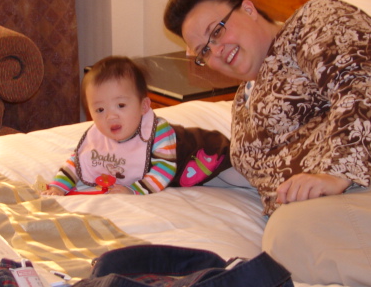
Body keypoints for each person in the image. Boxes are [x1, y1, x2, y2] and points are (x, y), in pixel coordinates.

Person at [163, 0, 371, 287]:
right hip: (344, 201)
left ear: (248, 9)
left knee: (289, 235)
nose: (216, 50)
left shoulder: (313, 20)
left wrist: (336, 172)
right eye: (204, 51)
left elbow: (361, 83)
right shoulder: (241, 103)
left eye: (217, 31)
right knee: (290, 237)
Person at [43, 56, 231, 196]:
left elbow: (164, 170)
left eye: (121, 105)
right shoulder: (98, 135)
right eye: (100, 110)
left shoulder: (157, 132)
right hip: (187, 176)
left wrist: (134, 190)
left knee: (236, 173)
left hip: (205, 153)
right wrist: (58, 187)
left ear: (144, 106)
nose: (110, 116)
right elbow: (78, 162)